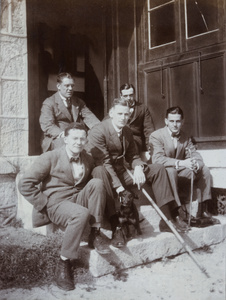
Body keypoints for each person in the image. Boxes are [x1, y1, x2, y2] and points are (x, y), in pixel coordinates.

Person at [18, 122, 110, 291]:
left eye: (82, 139)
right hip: (56, 203)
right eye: (74, 138)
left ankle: (95, 233)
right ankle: (63, 263)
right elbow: (25, 184)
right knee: (81, 213)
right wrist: (44, 203)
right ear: (65, 139)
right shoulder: (50, 157)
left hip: (75, 199)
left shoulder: (87, 158)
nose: (79, 142)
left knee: (97, 182)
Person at [86, 98, 189, 244]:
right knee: (100, 170)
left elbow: (133, 156)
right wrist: (120, 188)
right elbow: (105, 162)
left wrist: (139, 167)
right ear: (111, 113)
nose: (123, 118)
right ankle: (116, 227)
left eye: (126, 114)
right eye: (120, 114)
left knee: (158, 168)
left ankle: (167, 218)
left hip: (121, 172)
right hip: (104, 174)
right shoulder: (98, 131)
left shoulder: (127, 131)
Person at [149, 106, 218, 221]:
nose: (175, 125)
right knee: (171, 171)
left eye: (178, 121)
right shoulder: (156, 136)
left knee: (204, 169)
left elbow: (195, 155)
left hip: (179, 172)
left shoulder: (185, 136)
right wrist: (182, 163)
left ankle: (203, 209)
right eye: (171, 121)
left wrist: (195, 163)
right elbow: (157, 159)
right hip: (163, 175)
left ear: (182, 121)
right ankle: (177, 212)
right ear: (166, 121)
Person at [39, 72, 100, 152]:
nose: (70, 88)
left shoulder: (78, 102)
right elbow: (48, 126)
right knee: (68, 147)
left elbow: (90, 118)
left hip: (77, 137)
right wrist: (67, 135)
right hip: (56, 138)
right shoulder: (49, 102)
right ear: (58, 86)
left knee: (94, 146)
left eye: (72, 86)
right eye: (67, 86)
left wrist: (100, 129)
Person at [120, 83, 155, 152]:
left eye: (131, 95)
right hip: (119, 137)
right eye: (125, 96)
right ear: (121, 96)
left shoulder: (142, 108)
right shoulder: (116, 108)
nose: (128, 98)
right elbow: (106, 124)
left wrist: (150, 146)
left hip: (135, 139)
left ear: (134, 94)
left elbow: (149, 129)